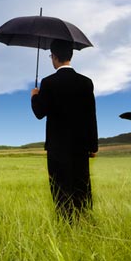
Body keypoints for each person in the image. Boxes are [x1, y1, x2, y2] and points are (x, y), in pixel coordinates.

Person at [31, 39, 98, 221]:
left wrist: (34, 97)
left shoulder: (48, 83)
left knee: (60, 185)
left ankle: (65, 222)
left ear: (54, 56)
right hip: (80, 145)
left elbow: (39, 112)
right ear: (71, 55)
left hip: (57, 146)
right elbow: (91, 115)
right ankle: (84, 220)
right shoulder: (86, 82)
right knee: (81, 184)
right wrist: (93, 146)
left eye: (51, 56)